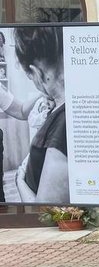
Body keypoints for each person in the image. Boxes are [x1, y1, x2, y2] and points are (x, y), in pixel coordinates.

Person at [13, 27, 68, 204]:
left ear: (36, 73)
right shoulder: (64, 110)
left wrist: (20, 181)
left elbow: (46, 209)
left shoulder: (62, 124)